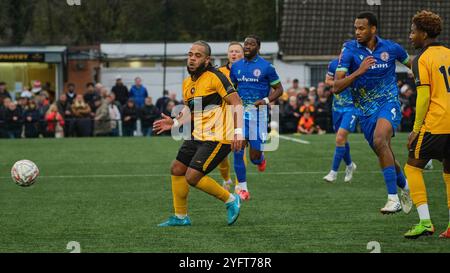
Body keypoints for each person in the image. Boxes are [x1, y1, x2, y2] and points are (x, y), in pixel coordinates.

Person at [153, 41, 244, 227]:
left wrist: (238, 132)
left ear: (207, 59)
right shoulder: (188, 83)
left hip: (218, 137)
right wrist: (176, 122)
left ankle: (231, 200)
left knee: (192, 176)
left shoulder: (216, 77)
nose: (192, 59)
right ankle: (181, 217)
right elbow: (190, 110)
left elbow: (237, 103)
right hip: (198, 135)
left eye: (198, 55)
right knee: (177, 168)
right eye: (190, 55)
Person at [334, 12, 412, 214]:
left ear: (373, 29)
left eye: (361, 28)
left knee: (380, 140)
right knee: (383, 149)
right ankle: (405, 186)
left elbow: (416, 66)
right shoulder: (349, 50)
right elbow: (336, 86)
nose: (357, 32)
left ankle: (392, 198)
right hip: (365, 111)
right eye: (355, 28)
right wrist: (359, 71)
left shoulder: (392, 48)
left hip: (389, 103)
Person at [403, 10, 450, 239]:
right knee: (449, 173)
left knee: (411, 167)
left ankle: (425, 222)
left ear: (423, 33)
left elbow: (423, 97)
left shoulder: (421, 59)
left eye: (413, 32)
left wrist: (415, 129)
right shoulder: (449, 53)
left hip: (436, 124)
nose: (410, 36)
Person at [229, 35, 284, 201]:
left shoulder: (267, 67)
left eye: (251, 44)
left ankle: (260, 159)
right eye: (245, 44)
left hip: (258, 116)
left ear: (258, 47)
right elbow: (231, 89)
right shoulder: (236, 67)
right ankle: (243, 189)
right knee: (238, 149)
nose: (247, 46)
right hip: (240, 115)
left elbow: (279, 89)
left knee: (253, 156)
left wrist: (266, 100)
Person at [323, 58, 358, 183]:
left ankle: (333, 173)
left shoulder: (357, 65)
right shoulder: (333, 64)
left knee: (339, 138)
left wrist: (345, 82)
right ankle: (350, 165)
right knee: (341, 139)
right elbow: (327, 80)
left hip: (352, 107)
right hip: (337, 108)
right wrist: (341, 83)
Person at [218, 41, 245, 192]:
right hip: (222, 116)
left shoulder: (247, 72)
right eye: (231, 51)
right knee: (221, 154)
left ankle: (240, 185)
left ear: (243, 54)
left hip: (240, 115)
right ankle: (226, 179)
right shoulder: (220, 72)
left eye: (237, 51)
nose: (234, 54)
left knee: (239, 149)